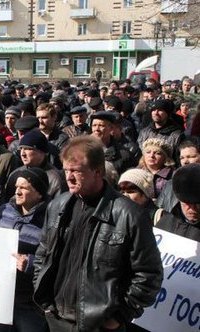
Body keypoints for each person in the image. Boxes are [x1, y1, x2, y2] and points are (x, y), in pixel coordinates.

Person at [33, 136, 163, 332]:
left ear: (98, 172)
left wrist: (118, 317)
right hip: (55, 319)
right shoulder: (58, 205)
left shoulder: (129, 215)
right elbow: (43, 253)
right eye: (66, 170)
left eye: (76, 171)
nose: (68, 177)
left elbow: (149, 274)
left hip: (98, 325)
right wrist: (44, 301)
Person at [0, 168, 50, 332]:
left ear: (39, 193)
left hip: (29, 301)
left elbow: (54, 259)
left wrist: (30, 263)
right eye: (17, 186)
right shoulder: (3, 210)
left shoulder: (50, 219)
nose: (17, 191)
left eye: (23, 188)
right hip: (1, 295)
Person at [156, 164, 200, 241]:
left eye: (197, 204)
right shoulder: (165, 223)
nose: (192, 209)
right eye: (187, 203)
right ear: (179, 200)